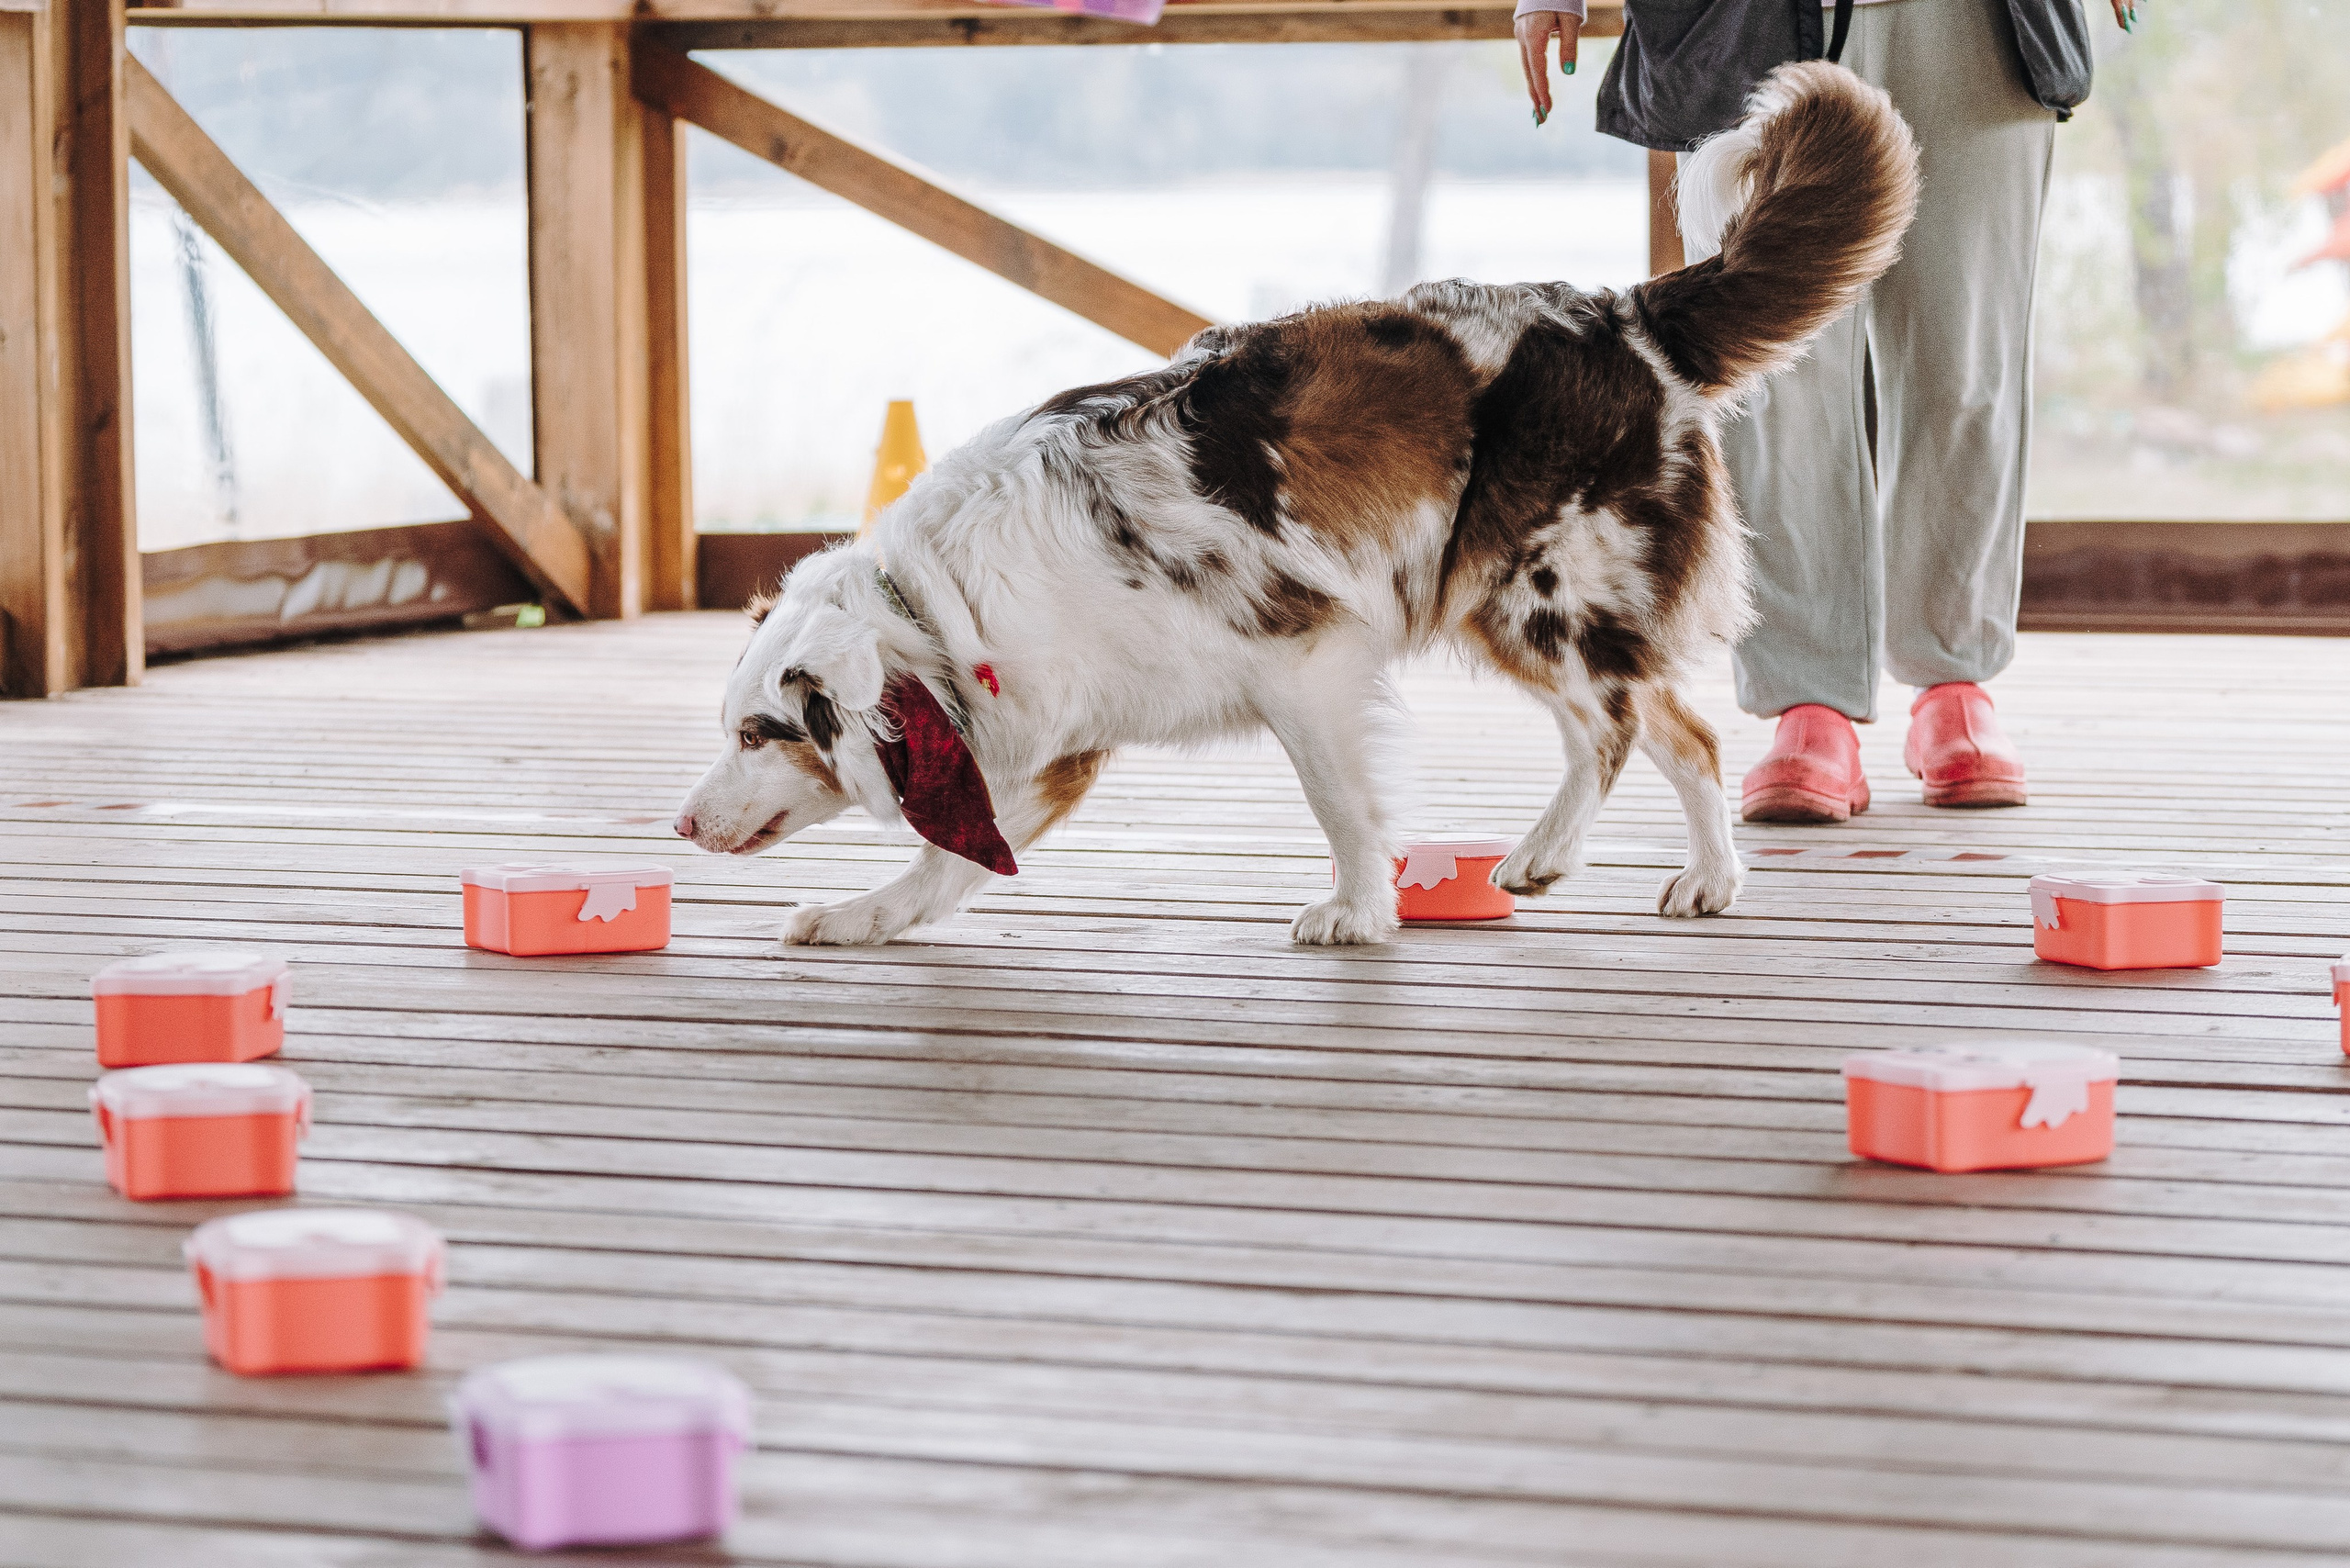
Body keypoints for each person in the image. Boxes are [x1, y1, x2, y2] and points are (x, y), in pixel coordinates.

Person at [1515, 0, 2132, 823]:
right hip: (1748, 22)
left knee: (1967, 360)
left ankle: (1954, 680)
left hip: (1972, 23)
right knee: (1777, 388)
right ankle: (1808, 703)